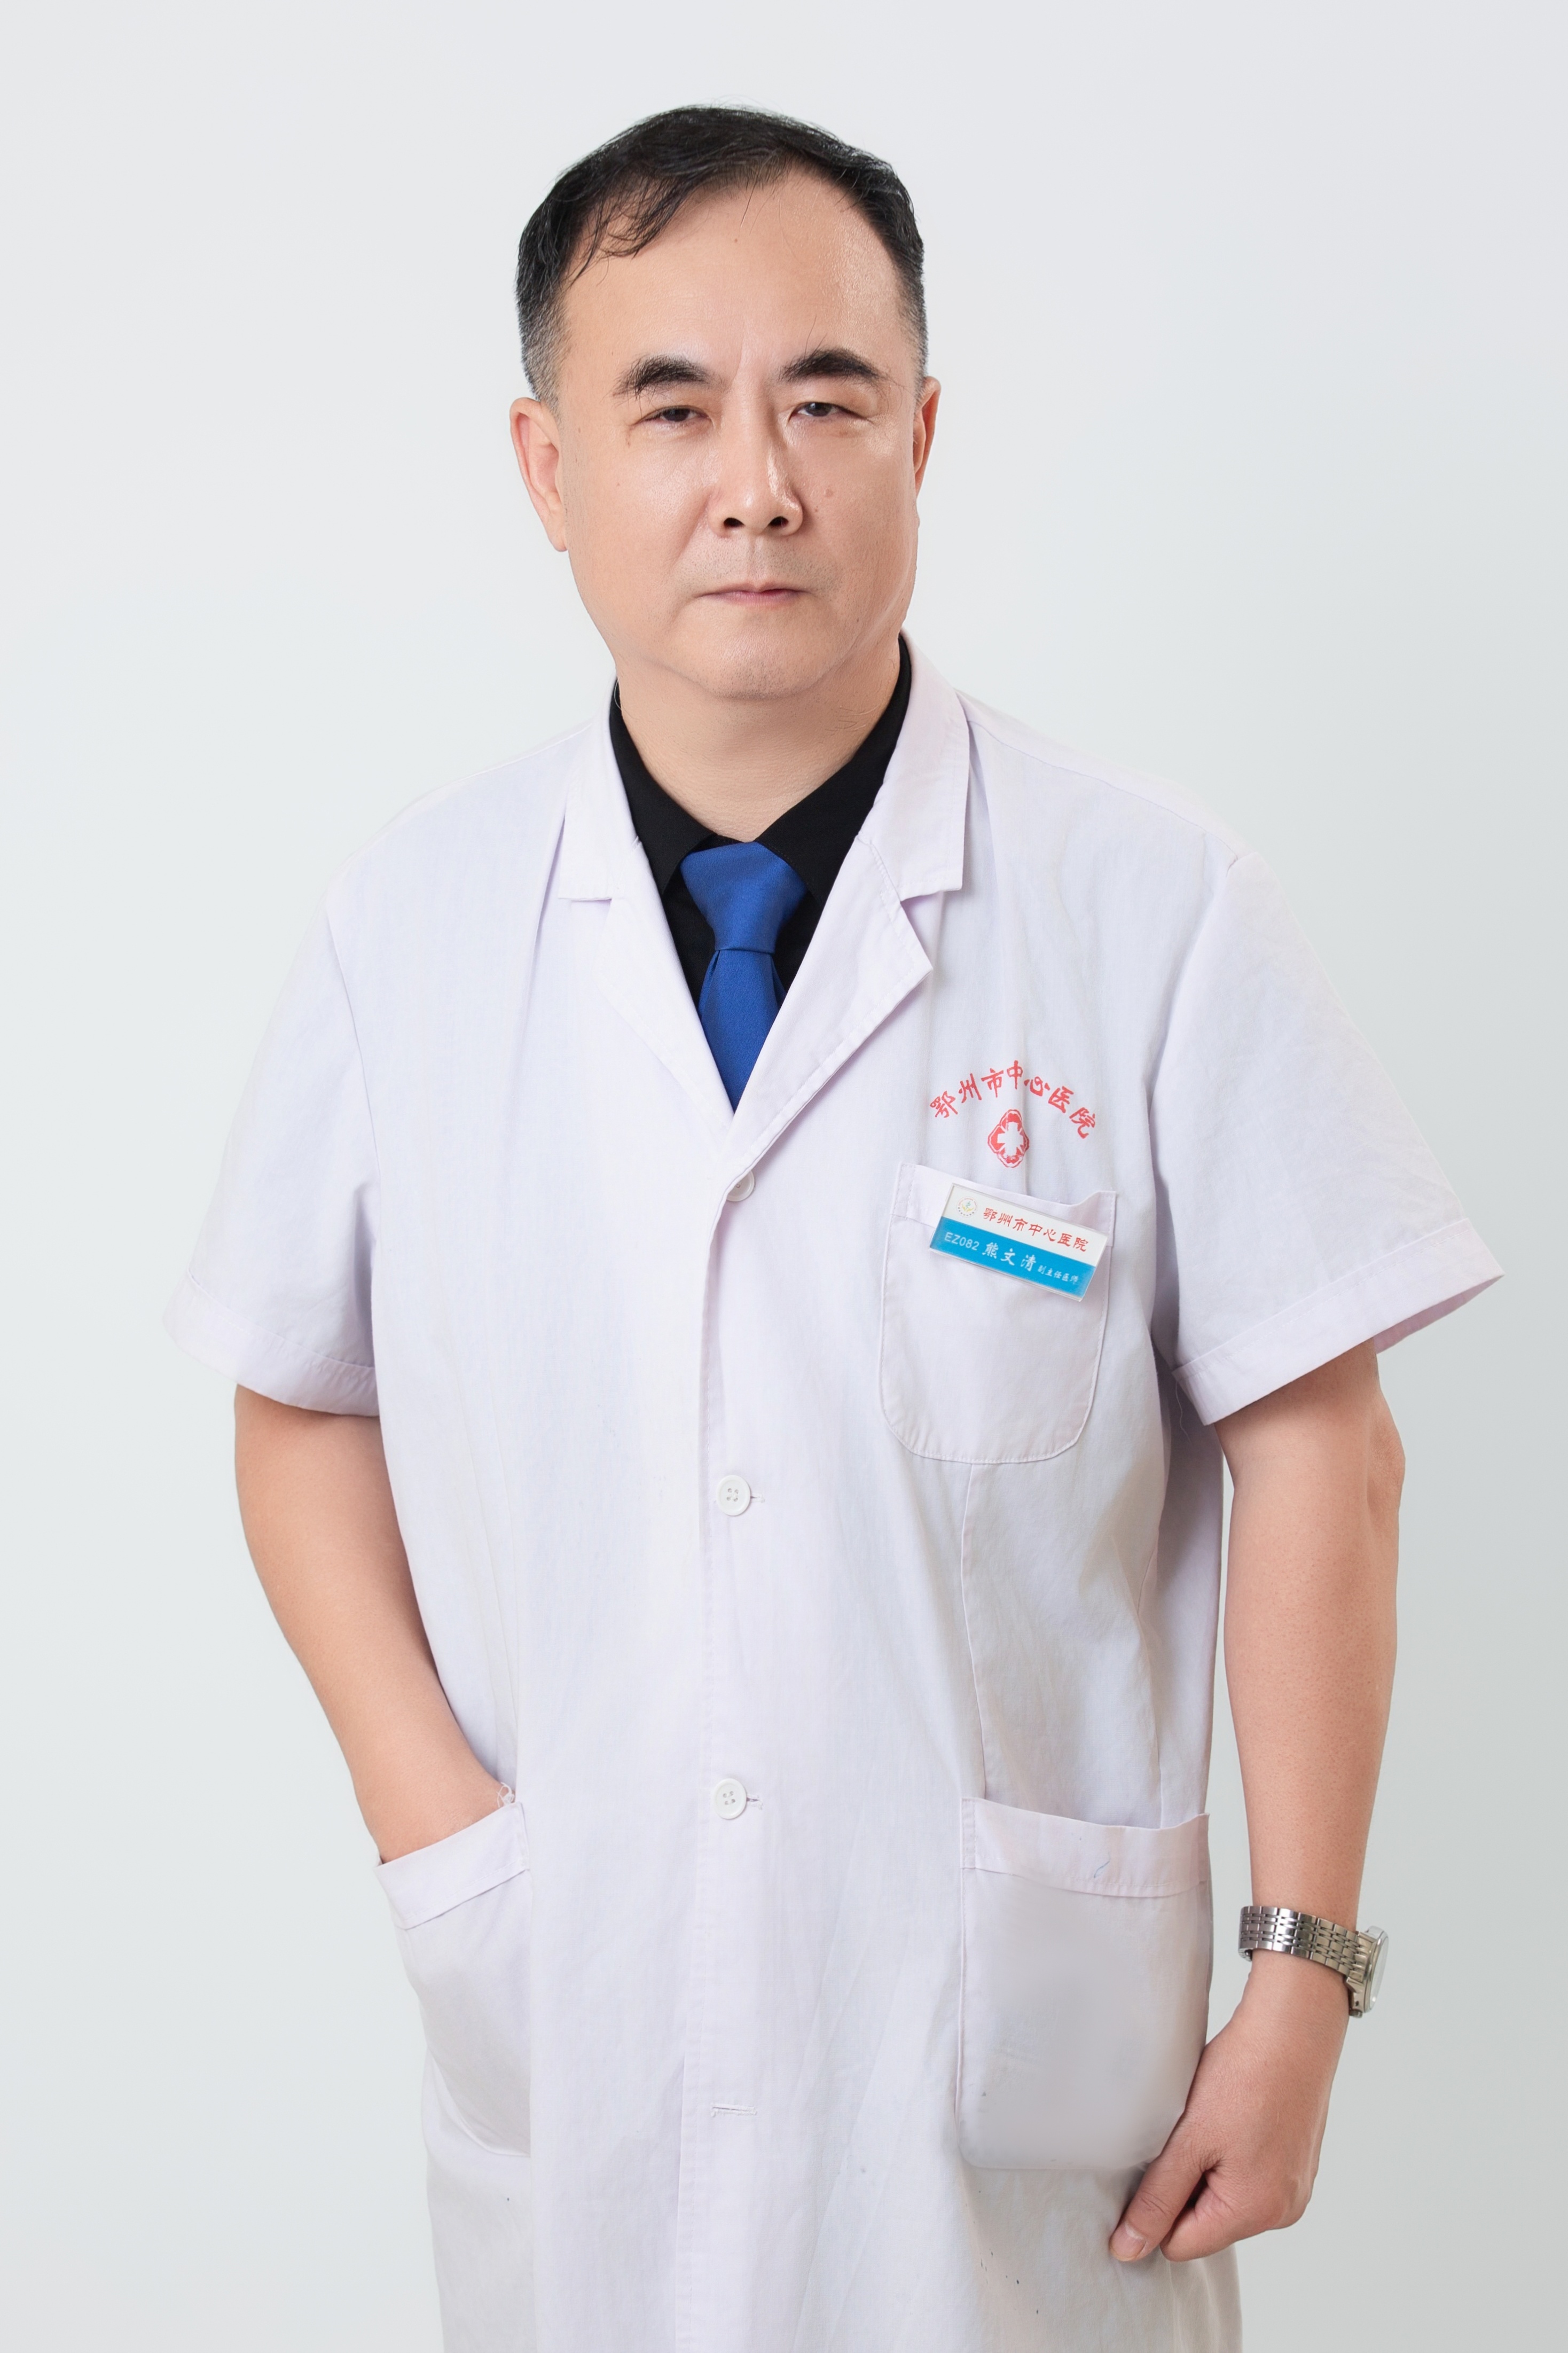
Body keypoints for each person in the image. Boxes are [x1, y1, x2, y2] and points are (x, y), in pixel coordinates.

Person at [166, 105, 1499, 2353]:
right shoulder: (410, 929)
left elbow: (1320, 1454)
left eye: (826, 399)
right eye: (670, 407)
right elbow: (297, 1402)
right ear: (546, 466)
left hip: (1007, 2105)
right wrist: (436, 1826)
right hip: (573, 2014)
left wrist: (1301, 1974)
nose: (756, 483)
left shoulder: (1150, 909)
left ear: (922, 437)